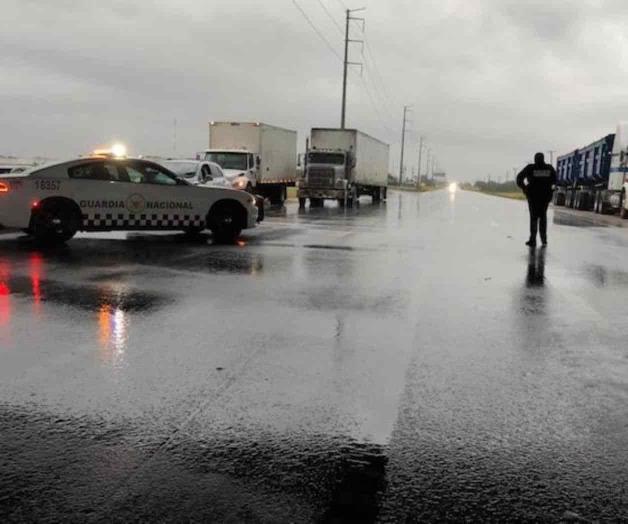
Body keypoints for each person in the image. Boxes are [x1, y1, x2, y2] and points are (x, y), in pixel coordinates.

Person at [516, 152, 557, 247]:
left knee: (533, 218)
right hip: (545, 197)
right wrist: (551, 190)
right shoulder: (549, 168)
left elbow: (519, 178)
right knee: (543, 217)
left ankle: (533, 240)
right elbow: (555, 180)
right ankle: (544, 240)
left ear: (535, 159)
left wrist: (524, 188)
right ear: (543, 159)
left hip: (533, 196)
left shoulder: (530, 168)